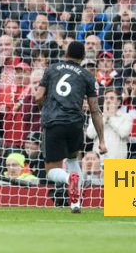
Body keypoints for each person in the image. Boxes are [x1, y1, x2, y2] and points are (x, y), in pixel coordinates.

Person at [35, 41, 107, 213]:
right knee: (73, 159)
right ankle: (75, 205)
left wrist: (45, 110)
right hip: (75, 124)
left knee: (51, 170)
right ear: (82, 58)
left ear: (66, 54)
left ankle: (69, 178)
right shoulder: (87, 76)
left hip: (53, 122)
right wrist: (102, 141)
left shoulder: (52, 69)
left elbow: (38, 96)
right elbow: (95, 110)